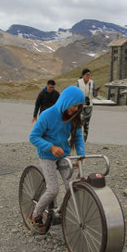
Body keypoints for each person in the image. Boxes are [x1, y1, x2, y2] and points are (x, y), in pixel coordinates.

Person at [28, 86, 85, 232]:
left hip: (63, 155)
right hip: (47, 156)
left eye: (79, 106)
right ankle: (36, 214)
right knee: (53, 190)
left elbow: (78, 137)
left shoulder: (73, 117)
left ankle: (59, 211)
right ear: (66, 101)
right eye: (74, 105)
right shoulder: (48, 115)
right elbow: (33, 137)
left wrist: (81, 155)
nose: (76, 109)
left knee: (71, 186)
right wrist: (51, 147)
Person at [76, 68, 98, 142]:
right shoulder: (78, 82)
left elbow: (94, 95)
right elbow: (76, 93)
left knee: (87, 124)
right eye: (87, 75)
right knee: (79, 123)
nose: (88, 76)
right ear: (83, 75)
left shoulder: (92, 83)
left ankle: (85, 140)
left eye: (89, 74)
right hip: (80, 106)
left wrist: (96, 92)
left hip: (89, 106)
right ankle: (78, 139)